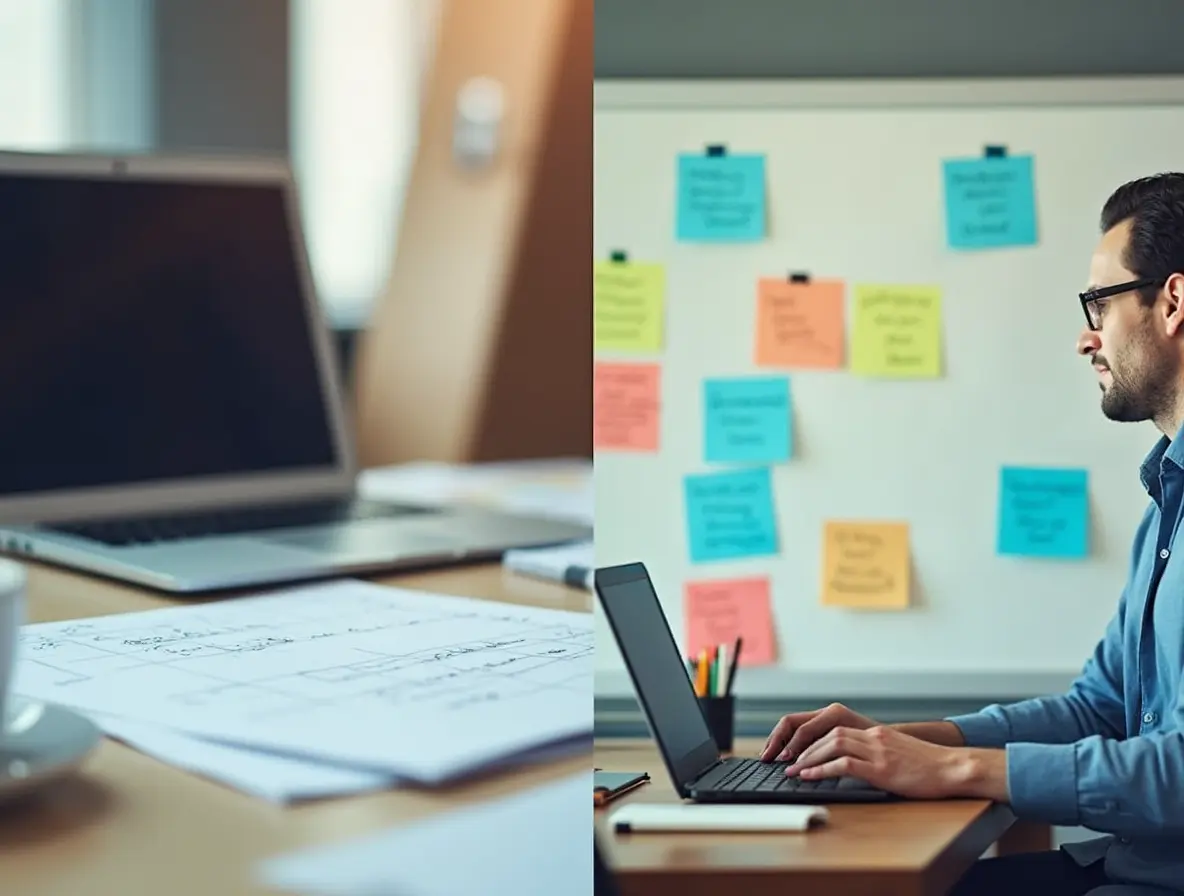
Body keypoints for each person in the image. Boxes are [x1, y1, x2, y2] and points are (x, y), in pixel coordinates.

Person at [760, 172, 1184, 896]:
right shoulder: (1167, 505)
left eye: (1099, 303)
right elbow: (1100, 710)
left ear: (1172, 302)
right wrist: (909, 742)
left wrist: (956, 768)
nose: (1087, 337)